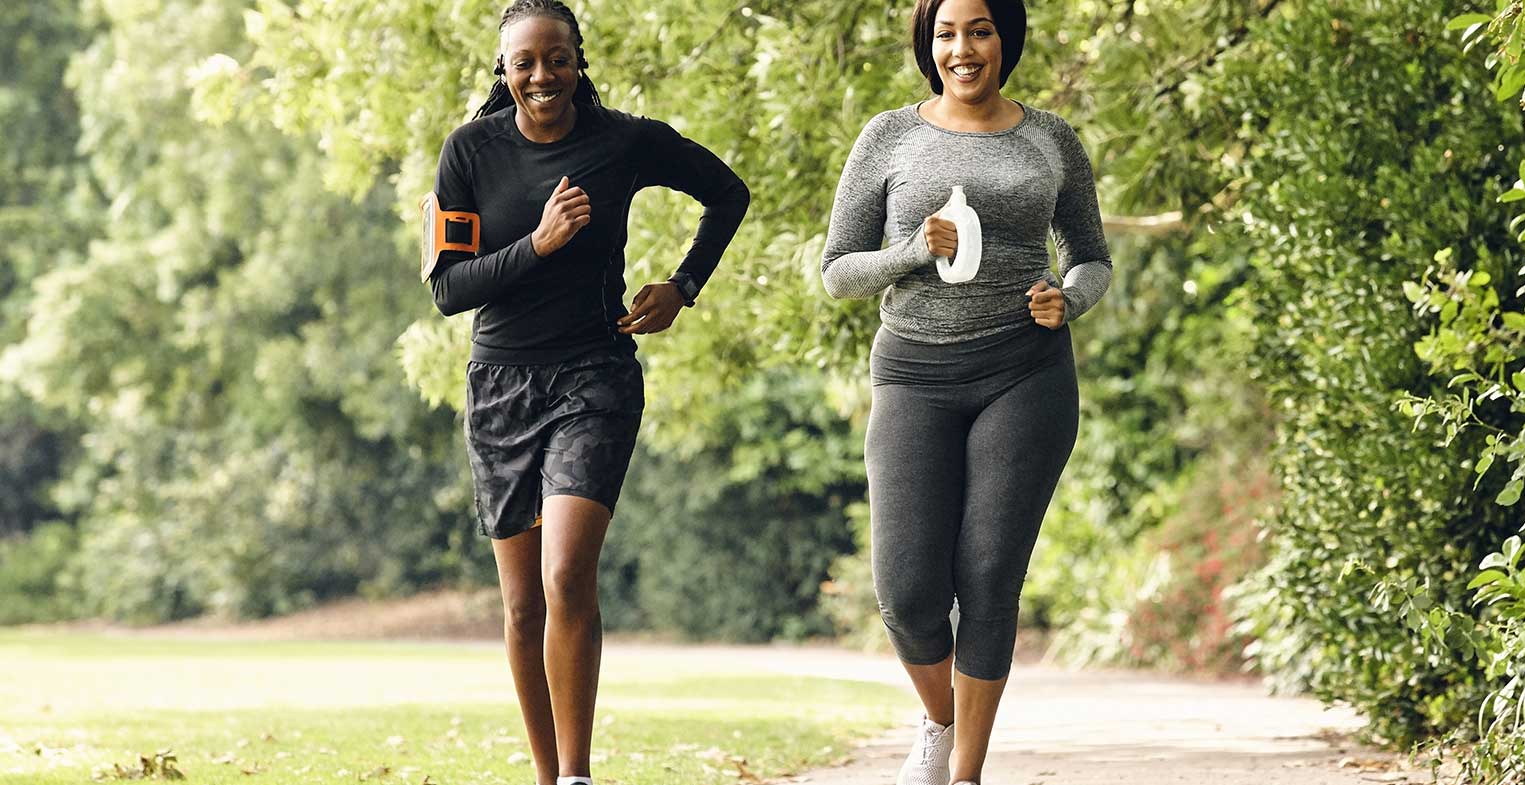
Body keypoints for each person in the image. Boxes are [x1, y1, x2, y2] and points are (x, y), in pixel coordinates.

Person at [422, 2, 750, 784]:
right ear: (502, 70)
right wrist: (538, 241)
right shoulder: (469, 151)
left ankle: (577, 775)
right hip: (501, 383)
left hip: (595, 374)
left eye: (557, 58)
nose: (543, 75)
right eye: (525, 62)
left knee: (566, 573)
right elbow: (448, 290)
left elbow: (728, 194)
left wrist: (683, 285)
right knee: (522, 605)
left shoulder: (622, 141)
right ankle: (546, 775)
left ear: (580, 61)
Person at [820, 0, 1112, 782]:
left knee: (988, 574)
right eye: (947, 32)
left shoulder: (1050, 137)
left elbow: (1090, 255)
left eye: (979, 30)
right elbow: (837, 269)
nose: (963, 48)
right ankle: (939, 722)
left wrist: (1069, 299)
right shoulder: (889, 135)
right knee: (908, 590)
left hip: (1025, 371)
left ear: (1003, 38)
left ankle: (967, 773)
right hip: (913, 372)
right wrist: (909, 252)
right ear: (928, 42)